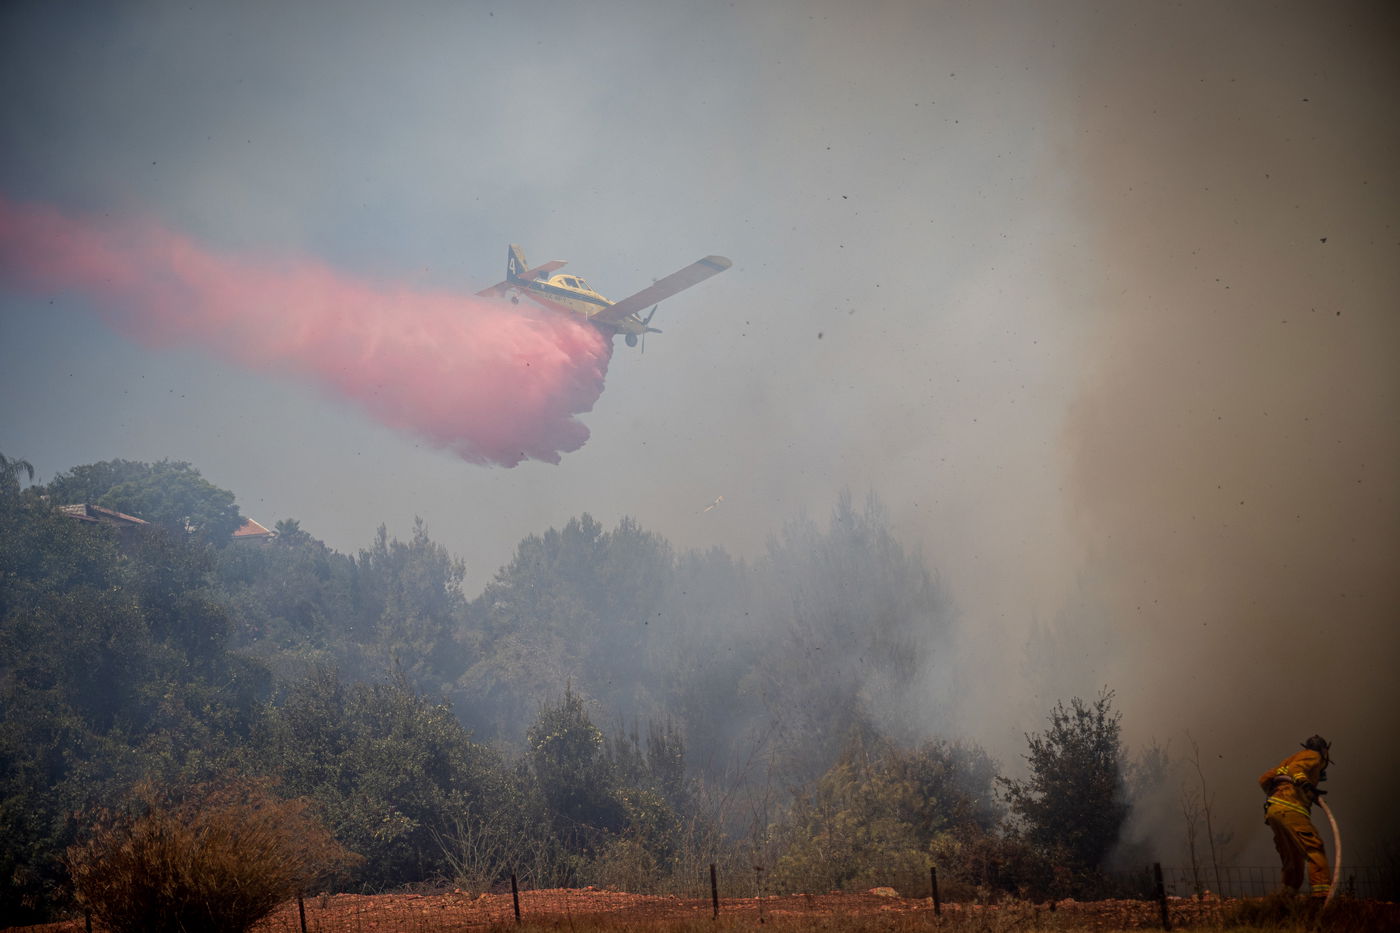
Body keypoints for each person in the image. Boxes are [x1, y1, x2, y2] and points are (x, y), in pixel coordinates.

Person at [1258, 735, 1332, 899]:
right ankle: (1322, 898)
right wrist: (1303, 783)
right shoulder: (1314, 756)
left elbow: (1264, 779)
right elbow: (1297, 769)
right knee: (1314, 849)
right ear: (1325, 750)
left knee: (1293, 857)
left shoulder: (1287, 761)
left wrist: (1280, 788)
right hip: (1291, 809)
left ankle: (1287, 897)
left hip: (1274, 810)